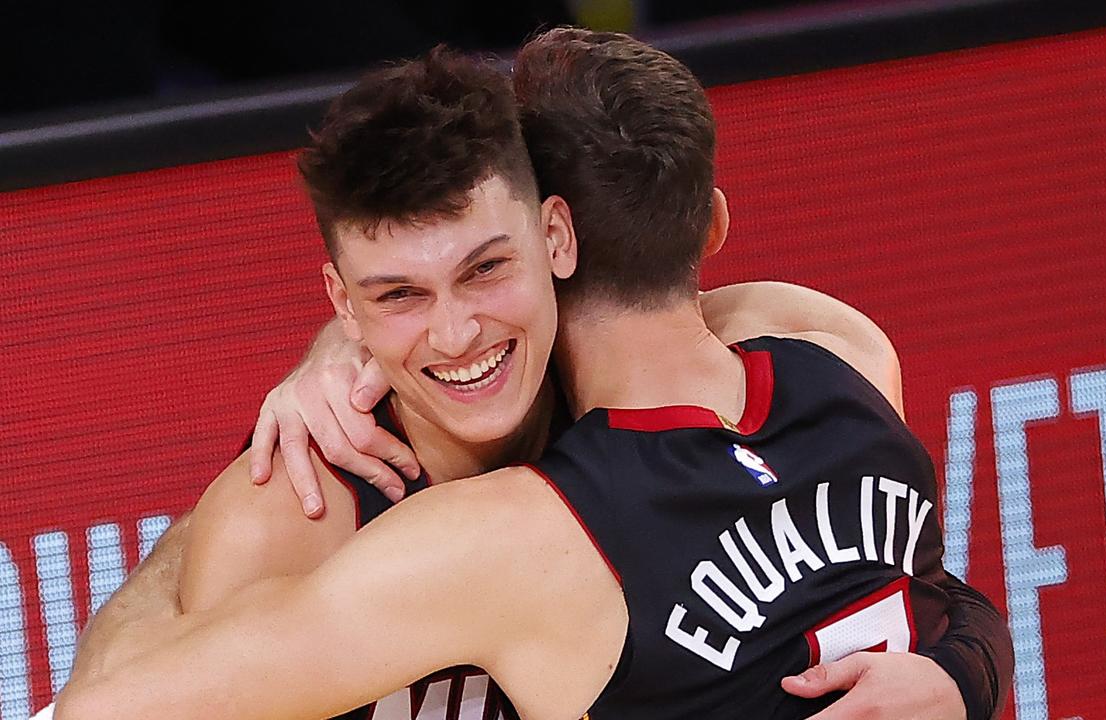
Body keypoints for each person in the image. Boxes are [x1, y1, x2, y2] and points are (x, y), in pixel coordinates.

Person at [56, 31, 1010, 720]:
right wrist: (962, 676)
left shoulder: (521, 527)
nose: (456, 329)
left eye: (485, 269)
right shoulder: (832, 349)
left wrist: (179, 538)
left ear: (556, 238)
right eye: (398, 297)